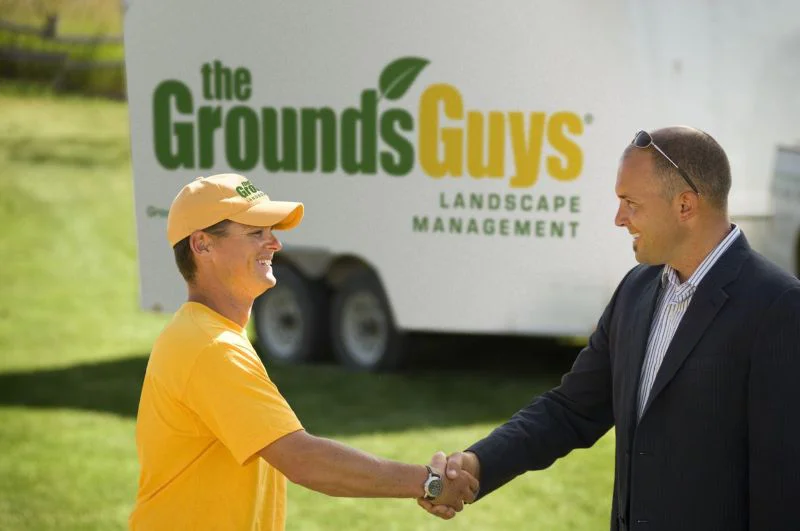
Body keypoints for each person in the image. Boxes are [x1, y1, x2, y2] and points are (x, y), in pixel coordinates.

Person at [418, 127, 800, 530]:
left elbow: (784, 484)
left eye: (630, 203)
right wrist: (477, 464)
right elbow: (570, 409)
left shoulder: (779, 307)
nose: (619, 219)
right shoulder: (636, 290)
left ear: (685, 206)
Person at [129, 173, 477, 530]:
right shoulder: (212, 347)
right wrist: (428, 482)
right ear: (202, 245)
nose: (275, 244)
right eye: (256, 233)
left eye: (271, 231)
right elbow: (304, 460)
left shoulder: (207, 335)